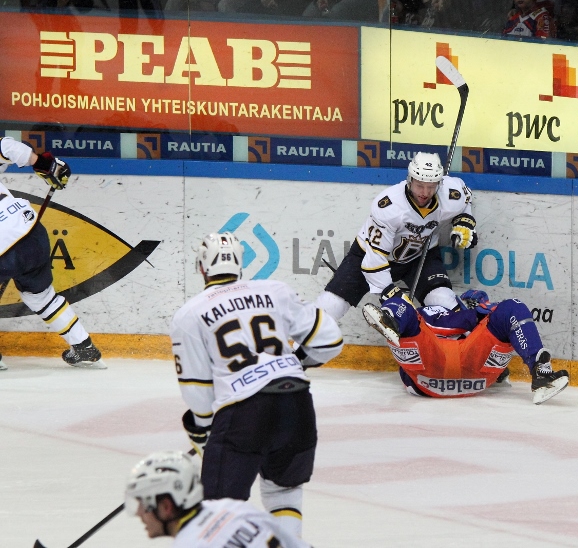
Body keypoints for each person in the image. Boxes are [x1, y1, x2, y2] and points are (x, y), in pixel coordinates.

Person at [170, 232, 343, 537]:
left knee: (219, 509)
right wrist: (289, 364)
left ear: (201, 267)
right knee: (282, 491)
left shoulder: (189, 314)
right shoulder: (275, 290)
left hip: (244, 413)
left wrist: (203, 429)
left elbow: (198, 393)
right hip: (297, 401)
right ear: (240, 263)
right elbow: (330, 341)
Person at [314, 152, 477, 322]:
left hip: (420, 256)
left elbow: (466, 198)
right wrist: (391, 294)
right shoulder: (389, 206)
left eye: (431, 186)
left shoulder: (449, 193)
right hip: (369, 256)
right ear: (410, 180)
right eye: (420, 185)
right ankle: (299, 347)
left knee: (445, 302)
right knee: (331, 305)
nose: (425, 192)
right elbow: (374, 261)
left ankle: (452, 347)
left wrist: (464, 221)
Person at [0, 137, 103, 371]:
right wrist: (43, 164)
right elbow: (7, 147)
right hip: (32, 233)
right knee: (41, 297)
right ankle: (83, 346)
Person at [363, 289, 569, 404]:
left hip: (425, 381)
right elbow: (492, 323)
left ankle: (390, 319)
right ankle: (541, 372)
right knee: (512, 306)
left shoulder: (420, 317)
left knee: (402, 309)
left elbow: (407, 364)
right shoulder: (449, 313)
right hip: (477, 377)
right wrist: (482, 308)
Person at [125, 450, 312, 547]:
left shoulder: (189, 544)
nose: (139, 514)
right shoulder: (234, 509)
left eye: (144, 505)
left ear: (166, 506)